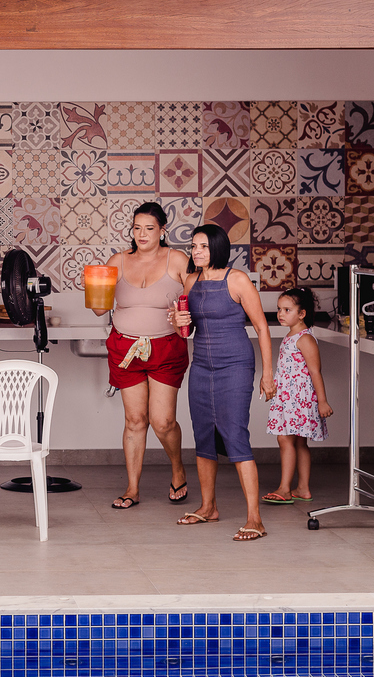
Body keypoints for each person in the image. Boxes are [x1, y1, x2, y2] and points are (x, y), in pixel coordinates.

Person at [170, 223, 275, 541]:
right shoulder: (191, 281)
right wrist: (177, 322)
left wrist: (267, 374)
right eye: (193, 246)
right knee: (203, 436)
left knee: (235, 436)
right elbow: (184, 333)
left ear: (217, 248)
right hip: (202, 366)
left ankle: (254, 519)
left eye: (202, 246)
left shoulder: (237, 279)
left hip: (235, 366)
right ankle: (208, 507)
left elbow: (262, 327)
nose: (196, 252)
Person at [93, 201, 191, 508]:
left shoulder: (177, 259)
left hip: (166, 348)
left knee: (162, 421)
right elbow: (99, 308)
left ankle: (177, 468)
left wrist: (187, 318)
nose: (142, 234)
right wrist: (95, 290)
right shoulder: (117, 260)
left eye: (149, 228)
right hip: (125, 347)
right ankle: (132, 488)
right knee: (135, 420)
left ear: (163, 231)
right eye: (137, 228)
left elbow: (197, 300)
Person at [263, 287, 334, 504]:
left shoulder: (304, 338)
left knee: (285, 439)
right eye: (279, 309)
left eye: (287, 309)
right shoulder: (292, 335)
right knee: (300, 443)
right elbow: (289, 369)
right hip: (289, 398)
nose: (280, 314)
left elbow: (315, 371)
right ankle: (302, 488)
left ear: (301, 313)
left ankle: (285, 488)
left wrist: (322, 401)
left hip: (299, 401)